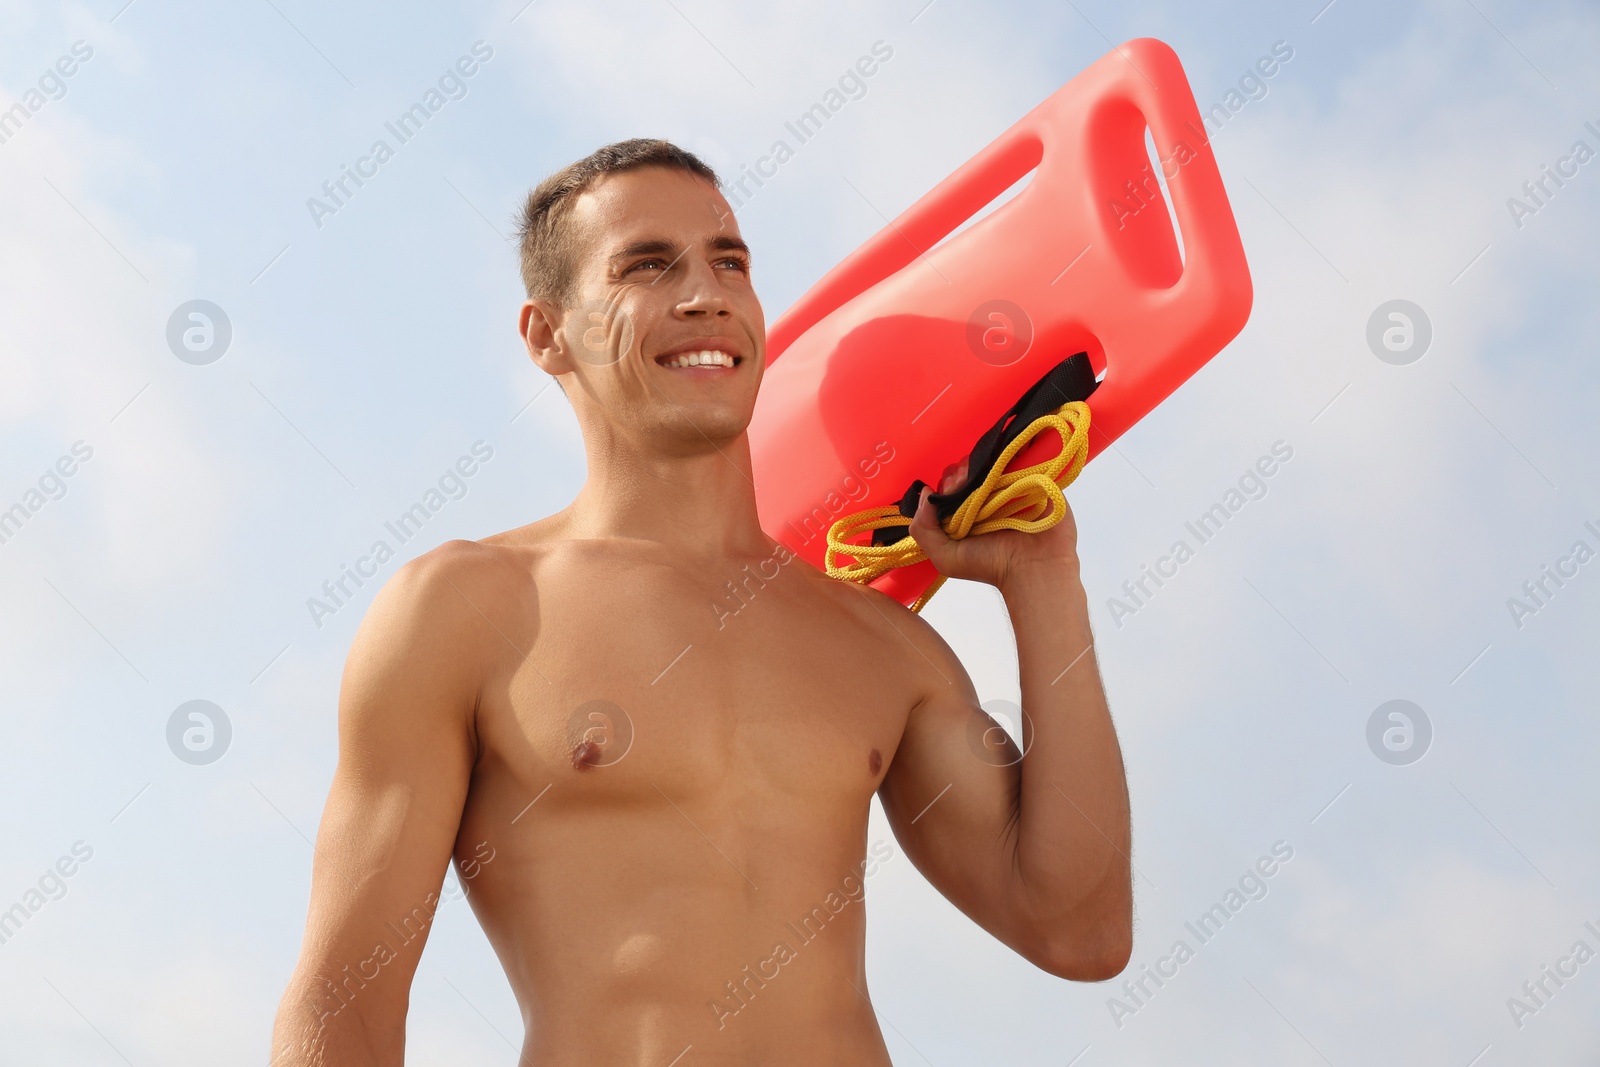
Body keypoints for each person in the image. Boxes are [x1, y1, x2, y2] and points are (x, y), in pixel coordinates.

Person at [270, 138, 1131, 1066]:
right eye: (649, 265)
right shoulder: (464, 609)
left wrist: (1046, 584)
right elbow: (342, 1001)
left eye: (731, 261)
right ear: (549, 333)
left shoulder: (881, 647)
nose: (706, 292)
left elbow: (1077, 929)